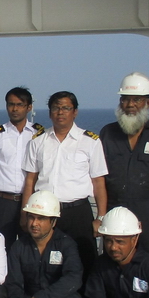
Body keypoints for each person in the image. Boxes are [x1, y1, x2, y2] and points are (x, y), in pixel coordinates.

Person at [99, 73, 149, 275]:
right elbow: (97, 172)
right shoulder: (108, 133)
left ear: (147, 103)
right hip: (114, 209)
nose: (130, 105)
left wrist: (148, 186)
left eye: (136, 99)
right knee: (113, 266)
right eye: (125, 99)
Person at [23, 91, 107, 274]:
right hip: (45, 213)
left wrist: (101, 217)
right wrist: (25, 213)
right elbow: (30, 180)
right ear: (49, 113)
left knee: (85, 260)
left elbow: (98, 182)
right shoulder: (38, 141)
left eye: (66, 108)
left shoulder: (90, 142)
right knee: (46, 262)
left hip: (78, 212)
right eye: (56, 108)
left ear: (75, 112)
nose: (60, 112)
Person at [0, 87, 43, 246]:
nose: (14, 109)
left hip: (32, 201)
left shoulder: (39, 134)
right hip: (4, 202)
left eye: (20, 104)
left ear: (29, 107)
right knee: (0, 248)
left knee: (30, 248)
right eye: (11, 104)